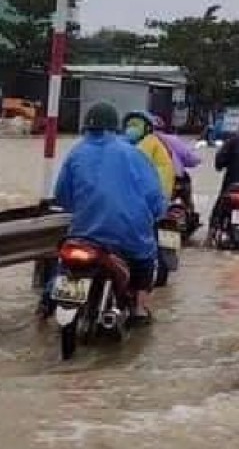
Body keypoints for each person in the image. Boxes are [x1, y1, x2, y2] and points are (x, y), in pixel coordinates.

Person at [51, 101, 167, 321]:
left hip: (84, 233)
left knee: (62, 261)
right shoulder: (134, 154)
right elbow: (153, 195)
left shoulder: (76, 152)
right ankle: (139, 308)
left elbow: (62, 195)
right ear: (116, 127)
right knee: (145, 257)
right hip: (128, 233)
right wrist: (157, 213)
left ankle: (47, 303)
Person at [122, 110, 176, 198]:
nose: (130, 129)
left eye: (135, 125)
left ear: (147, 128)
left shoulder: (149, 141)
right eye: (128, 126)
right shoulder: (135, 142)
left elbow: (135, 162)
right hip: (153, 189)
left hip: (157, 193)